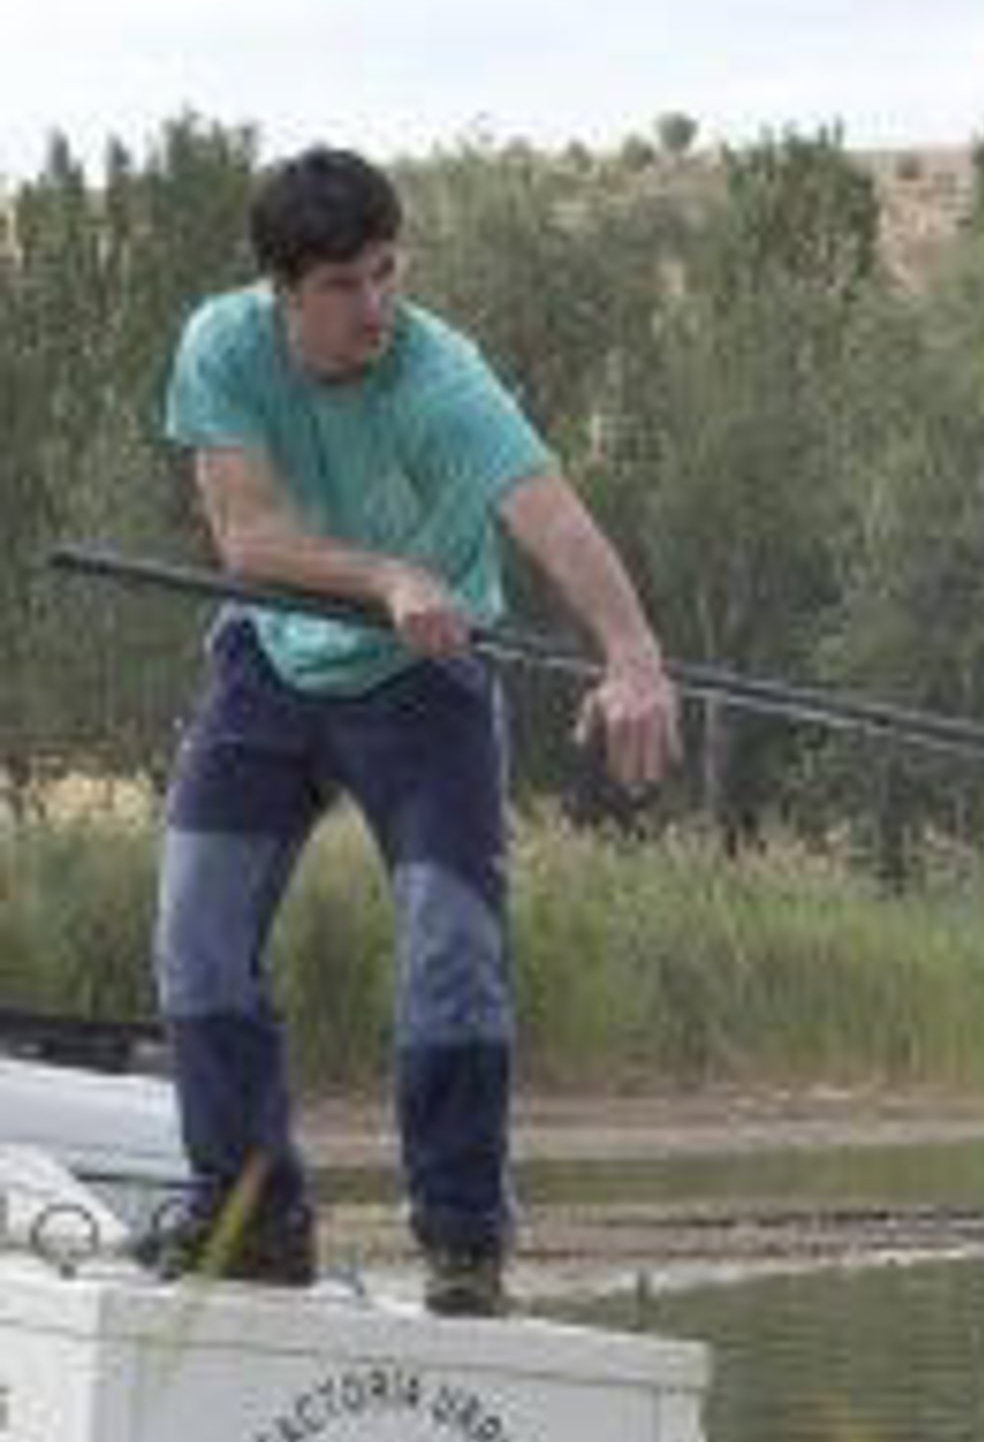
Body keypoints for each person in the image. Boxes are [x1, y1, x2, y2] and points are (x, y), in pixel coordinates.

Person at [149, 143, 679, 1315]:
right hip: (268, 665)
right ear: (283, 291)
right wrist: (388, 574)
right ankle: (253, 1222)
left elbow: (550, 515)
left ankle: (463, 1243)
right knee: (196, 938)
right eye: (343, 285)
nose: (374, 308)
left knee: (453, 950)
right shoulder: (222, 347)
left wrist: (633, 655)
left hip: (426, 682)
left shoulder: (444, 376)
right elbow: (248, 540)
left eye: (388, 272)